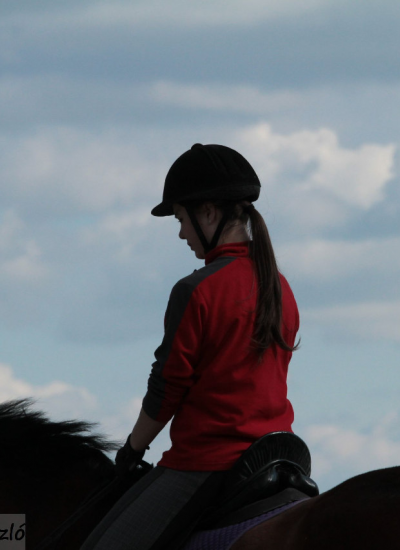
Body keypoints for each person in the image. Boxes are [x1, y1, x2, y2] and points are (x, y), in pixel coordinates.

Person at [81, 143, 300, 550]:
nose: (181, 233)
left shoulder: (196, 290)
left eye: (181, 218)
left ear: (209, 213)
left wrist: (132, 449)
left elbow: (167, 387)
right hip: (277, 453)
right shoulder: (280, 286)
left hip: (209, 461)